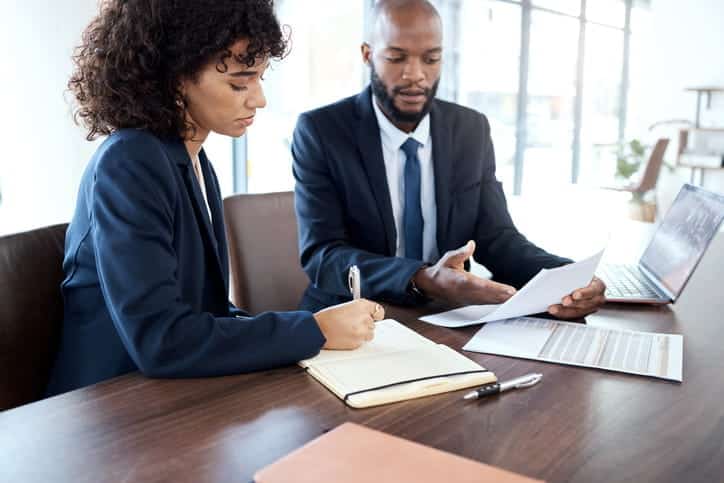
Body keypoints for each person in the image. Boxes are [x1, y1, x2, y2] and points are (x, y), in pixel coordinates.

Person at [45, 0, 383, 397]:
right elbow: (162, 339)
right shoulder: (129, 162)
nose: (259, 99)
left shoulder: (193, 159)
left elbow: (208, 313)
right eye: (240, 82)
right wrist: (313, 330)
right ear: (174, 78)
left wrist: (313, 326)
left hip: (165, 395)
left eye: (259, 78)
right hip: (107, 413)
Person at [292, 0, 605, 318]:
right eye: (396, 57)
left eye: (431, 59)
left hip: (446, 315)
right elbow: (323, 255)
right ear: (368, 54)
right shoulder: (321, 132)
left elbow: (497, 237)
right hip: (350, 315)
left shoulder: (471, 129)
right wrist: (422, 278)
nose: (415, 75)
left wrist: (568, 278)